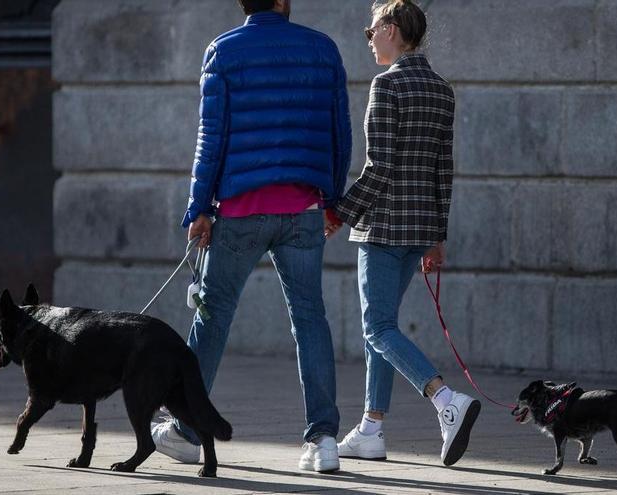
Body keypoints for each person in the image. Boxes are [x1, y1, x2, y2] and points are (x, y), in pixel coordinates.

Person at [150, 0, 351, 473]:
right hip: (302, 208)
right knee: (310, 320)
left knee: (212, 317)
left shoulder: (223, 51)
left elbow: (211, 137)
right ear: (282, 2)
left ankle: (186, 430)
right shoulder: (322, 50)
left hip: (239, 210)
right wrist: (332, 199)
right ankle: (323, 440)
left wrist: (199, 207)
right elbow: (338, 131)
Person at [328, 0, 480, 467]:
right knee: (386, 328)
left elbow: (379, 167)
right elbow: (443, 170)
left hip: (384, 225)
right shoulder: (441, 88)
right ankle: (371, 429)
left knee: (376, 328)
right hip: (419, 230)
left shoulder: (387, 84)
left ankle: (444, 399)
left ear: (392, 30)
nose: (369, 38)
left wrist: (339, 213)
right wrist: (437, 237)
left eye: (371, 30)